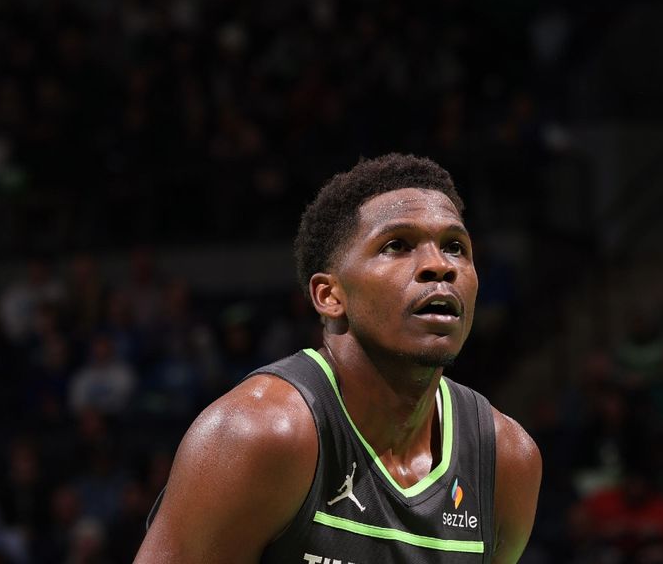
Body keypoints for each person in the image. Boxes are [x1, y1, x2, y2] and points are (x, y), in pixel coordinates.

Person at [134, 153, 542, 563]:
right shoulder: (257, 434)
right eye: (397, 245)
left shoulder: (507, 461)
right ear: (330, 297)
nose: (439, 266)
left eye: (456, 247)